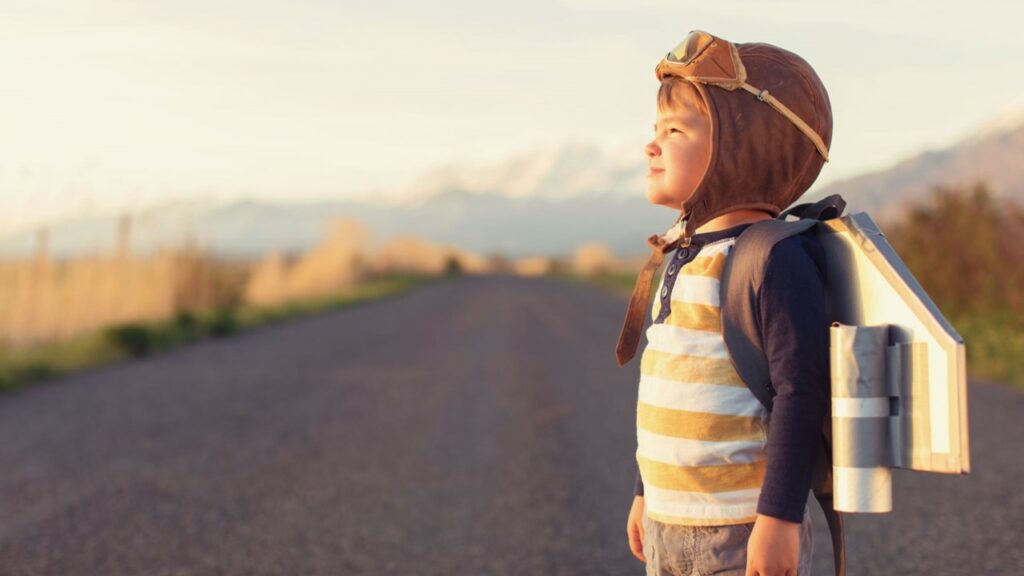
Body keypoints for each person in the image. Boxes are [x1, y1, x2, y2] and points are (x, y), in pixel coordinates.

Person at [616, 30, 834, 576]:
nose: (652, 146)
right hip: (670, 521)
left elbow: (799, 390)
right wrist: (647, 493)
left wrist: (780, 518)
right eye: (655, 131)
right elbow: (671, 387)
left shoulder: (771, 258)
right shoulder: (685, 255)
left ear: (739, 147)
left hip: (740, 530)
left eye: (674, 131)